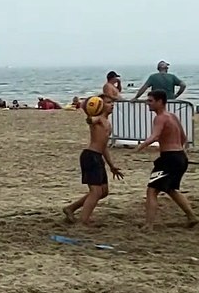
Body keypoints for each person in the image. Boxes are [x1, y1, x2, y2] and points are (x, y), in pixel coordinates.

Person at [136, 90, 197, 229]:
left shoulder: (160, 118)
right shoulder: (173, 116)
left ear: (160, 102)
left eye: (150, 101)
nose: (147, 103)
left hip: (169, 159)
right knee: (171, 189)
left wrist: (142, 146)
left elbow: (155, 136)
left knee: (151, 190)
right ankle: (192, 216)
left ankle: (149, 225)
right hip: (180, 157)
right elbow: (183, 138)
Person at [62, 99, 123, 226]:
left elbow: (104, 146)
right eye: (108, 102)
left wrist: (111, 166)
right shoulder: (98, 119)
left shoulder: (108, 123)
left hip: (98, 157)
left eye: (112, 103)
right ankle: (84, 221)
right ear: (100, 105)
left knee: (104, 191)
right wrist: (87, 111)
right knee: (96, 191)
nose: (111, 105)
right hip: (90, 156)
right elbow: (90, 120)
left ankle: (71, 208)